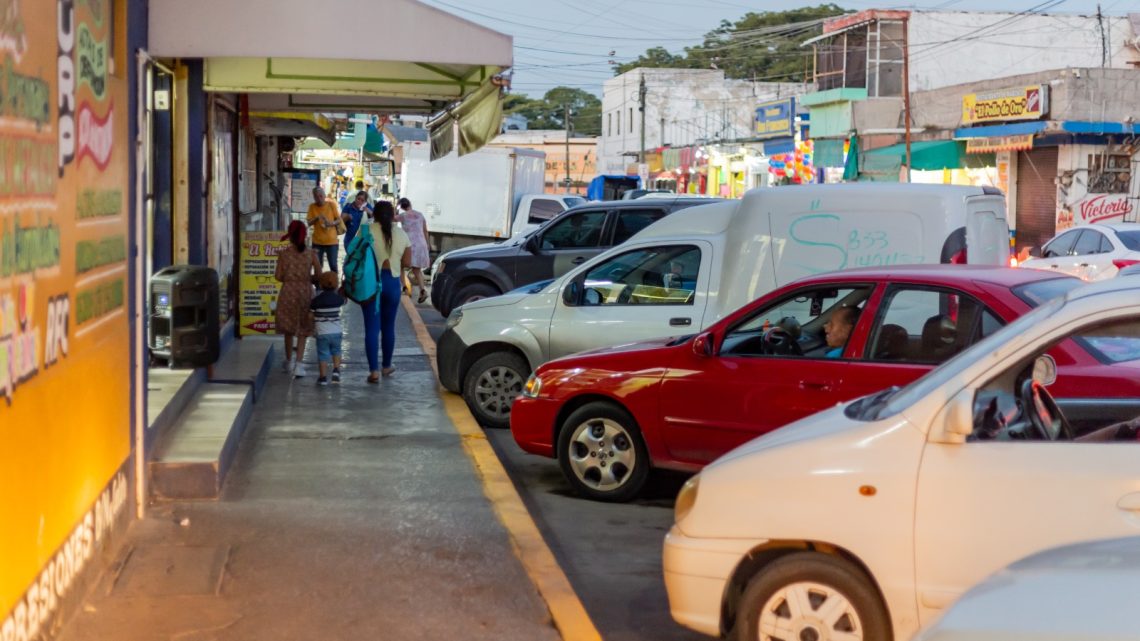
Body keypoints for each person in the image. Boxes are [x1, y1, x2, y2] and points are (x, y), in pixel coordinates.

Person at [370, 201, 412, 380]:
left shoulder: (367, 230)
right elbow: (408, 263)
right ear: (393, 214)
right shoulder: (402, 234)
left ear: (375, 214)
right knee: (388, 327)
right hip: (393, 283)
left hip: (371, 283)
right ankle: (386, 366)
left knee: (372, 328)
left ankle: (373, 371)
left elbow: (353, 253)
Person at [274, 220, 321, 378]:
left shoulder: (284, 254)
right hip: (305, 292)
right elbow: (320, 276)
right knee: (303, 329)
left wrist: (290, 278)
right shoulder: (311, 254)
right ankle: (299, 365)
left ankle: (289, 362)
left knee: (288, 328)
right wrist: (307, 277)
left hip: (288, 292)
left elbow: (278, 276)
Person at [310, 271, 346, 385]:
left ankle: (323, 378)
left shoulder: (316, 301)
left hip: (322, 333)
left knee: (323, 354)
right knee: (336, 351)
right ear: (335, 285)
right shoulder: (338, 300)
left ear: (320, 285)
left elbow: (310, 314)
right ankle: (336, 370)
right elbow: (345, 300)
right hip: (336, 332)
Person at [397, 197, 431, 304]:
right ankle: (422, 290)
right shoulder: (420, 215)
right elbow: (425, 230)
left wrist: (395, 208)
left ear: (401, 207)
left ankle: (404, 289)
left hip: (409, 245)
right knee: (417, 270)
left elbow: (390, 219)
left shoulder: (402, 216)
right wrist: (427, 244)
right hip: (421, 244)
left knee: (400, 265)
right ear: (410, 204)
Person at [307, 187, 344, 273]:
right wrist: (317, 218)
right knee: (318, 266)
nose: (319, 198)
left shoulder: (331, 205)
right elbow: (309, 223)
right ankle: (319, 286)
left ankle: (334, 285)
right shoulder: (312, 207)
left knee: (333, 265)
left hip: (331, 241)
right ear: (314, 197)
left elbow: (339, 219)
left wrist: (331, 224)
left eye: (320, 196)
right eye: (316, 197)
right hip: (317, 242)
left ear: (324, 196)